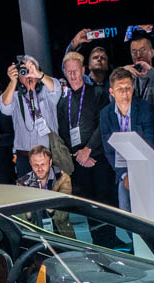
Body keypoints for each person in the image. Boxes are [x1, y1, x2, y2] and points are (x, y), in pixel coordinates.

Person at [101, 68, 154, 222]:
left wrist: (138, 174)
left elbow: (150, 142)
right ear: (112, 92)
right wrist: (125, 175)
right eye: (120, 89)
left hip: (152, 165)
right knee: (126, 211)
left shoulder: (145, 108)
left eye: (128, 88)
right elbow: (109, 149)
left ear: (133, 88)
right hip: (123, 168)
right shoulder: (105, 114)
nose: (125, 93)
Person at [57, 53, 111, 203]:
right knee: (86, 205)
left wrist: (88, 149)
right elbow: (63, 132)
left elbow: (103, 125)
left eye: (75, 70)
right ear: (65, 72)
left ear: (83, 70)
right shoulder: (62, 102)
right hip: (78, 161)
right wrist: (79, 155)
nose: (72, 75)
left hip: (98, 158)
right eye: (69, 71)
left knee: (104, 205)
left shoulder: (98, 93)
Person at [0, 56, 61, 180]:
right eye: (24, 71)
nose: (28, 75)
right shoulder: (15, 96)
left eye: (31, 70)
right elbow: (4, 107)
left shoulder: (47, 92)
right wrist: (13, 81)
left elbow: (56, 88)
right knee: (27, 190)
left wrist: (38, 74)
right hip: (25, 157)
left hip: (49, 155)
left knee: (52, 189)